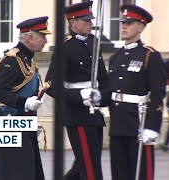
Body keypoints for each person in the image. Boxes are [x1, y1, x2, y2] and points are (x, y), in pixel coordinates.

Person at [45, 2, 110, 179]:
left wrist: (103, 97)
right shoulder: (65, 47)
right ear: (73, 23)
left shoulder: (94, 41)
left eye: (91, 19)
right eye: (86, 20)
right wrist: (79, 95)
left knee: (87, 162)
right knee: (89, 166)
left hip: (95, 112)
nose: (91, 23)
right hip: (77, 114)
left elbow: (103, 78)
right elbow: (50, 84)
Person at [108, 4, 167, 180]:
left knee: (141, 173)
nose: (124, 26)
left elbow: (158, 94)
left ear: (141, 27)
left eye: (129, 23)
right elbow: (112, 91)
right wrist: (97, 96)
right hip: (118, 123)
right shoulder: (115, 57)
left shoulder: (150, 56)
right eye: (123, 22)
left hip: (139, 124)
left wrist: (152, 127)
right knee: (119, 173)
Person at [0, 16, 51, 180]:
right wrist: (24, 102)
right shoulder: (11, 61)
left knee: (31, 174)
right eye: (42, 36)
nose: (45, 41)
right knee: (17, 173)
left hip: (25, 126)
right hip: (10, 126)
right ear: (30, 37)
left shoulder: (28, 61)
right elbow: (0, 93)